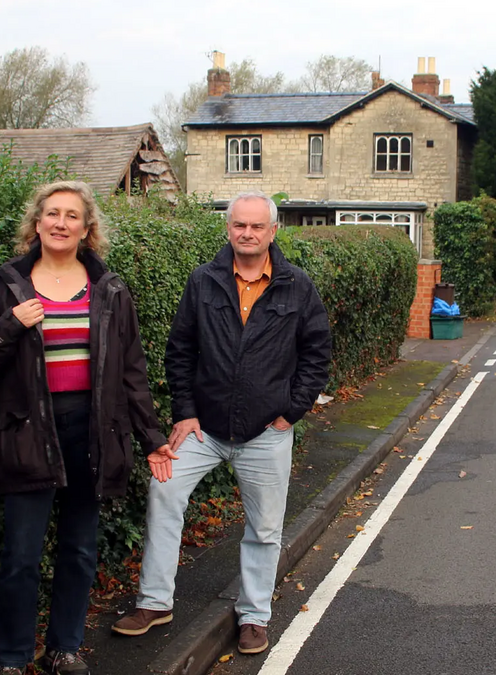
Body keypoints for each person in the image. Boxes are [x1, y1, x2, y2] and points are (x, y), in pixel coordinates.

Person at [0, 180, 172, 675]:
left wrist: (153, 439)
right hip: (29, 430)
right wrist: (9, 325)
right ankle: (11, 658)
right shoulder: (9, 285)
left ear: (87, 228)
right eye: (52, 213)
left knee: (78, 549)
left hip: (93, 432)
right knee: (21, 556)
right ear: (36, 224)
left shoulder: (110, 290)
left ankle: (63, 649)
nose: (60, 223)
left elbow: (131, 372)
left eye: (71, 216)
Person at [112, 191, 331, 656]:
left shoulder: (298, 286)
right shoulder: (203, 281)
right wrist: (185, 412)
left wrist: (290, 411)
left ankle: (253, 617)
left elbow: (316, 353)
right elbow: (180, 350)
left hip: (266, 433)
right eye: (239, 226)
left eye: (256, 226)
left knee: (265, 529)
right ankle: (155, 603)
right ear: (228, 229)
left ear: (273, 232)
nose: (247, 234)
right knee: (164, 492)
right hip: (204, 427)